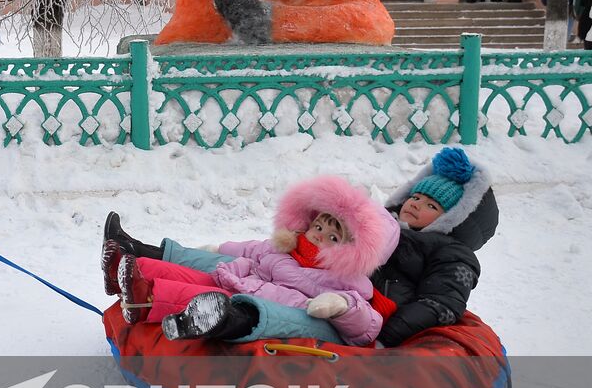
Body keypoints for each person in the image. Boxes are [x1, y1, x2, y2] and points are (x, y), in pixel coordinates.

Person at [100, 147, 498, 348]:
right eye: (416, 196)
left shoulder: (451, 254)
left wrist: (384, 337)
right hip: (317, 279)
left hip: (356, 312)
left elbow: (441, 303)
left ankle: (224, 320)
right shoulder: (378, 224)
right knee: (240, 261)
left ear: (454, 218)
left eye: (432, 206)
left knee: (293, 311)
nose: (415, 205)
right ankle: (136, 253)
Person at [103, 176, 398, 346]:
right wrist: (218, 248)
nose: (320, 237)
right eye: (318, 227)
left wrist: (341, 307)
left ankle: (159, 303)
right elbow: (249, 249)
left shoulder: (347, 280)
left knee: (225, 299)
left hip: (280, 314)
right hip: (244, 284)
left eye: (333, 238)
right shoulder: (285, 247)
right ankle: (131, 262)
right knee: (210, 272)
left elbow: (368, 325)